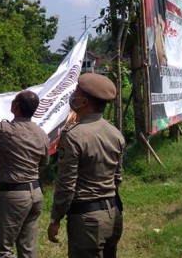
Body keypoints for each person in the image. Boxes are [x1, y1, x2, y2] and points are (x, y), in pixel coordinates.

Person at [47, 73, 125, 258]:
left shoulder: (74, 136)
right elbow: (117, 177)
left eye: (76, 92)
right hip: (113, 215)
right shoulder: (115, 133)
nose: (72, 95)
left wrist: (55, 219)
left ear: (83, 102)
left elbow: (66, 185)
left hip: (87, 221)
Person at [0, 90, 49, 258]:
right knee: (27, 249)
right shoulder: (42, 134)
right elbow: (44, 163)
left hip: (14, 196)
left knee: (0, 250)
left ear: (16, 106)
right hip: (36, 193)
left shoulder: (5, 130)